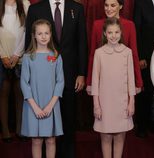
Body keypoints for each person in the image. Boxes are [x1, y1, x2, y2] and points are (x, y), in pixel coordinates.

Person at [25, 0, 88, 158]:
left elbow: (82, 42)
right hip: (40, 78)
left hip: (70, 74)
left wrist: (81, 72)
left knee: (68, 116)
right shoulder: (35, 9)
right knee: (43, 126)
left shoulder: (77, 8)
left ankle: (68, 153)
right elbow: (28, 41)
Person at [91, 17, 135, 158]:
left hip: (122, 102)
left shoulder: (127, 52)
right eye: (110, 33)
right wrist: (96, 105)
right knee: (106, 137)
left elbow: (131, 80)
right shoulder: (99, 53)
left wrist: (131, 102)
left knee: (120, 136)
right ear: (105, 34)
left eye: (116, 32)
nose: (113, 36)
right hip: (104, 103)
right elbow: (95, 82)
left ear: (121, 33)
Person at [21, 19, 64, 158]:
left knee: (51, 139)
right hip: (34, 105)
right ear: (34, 35)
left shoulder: (56, 56)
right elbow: (24, 83)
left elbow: (60, 82)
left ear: (51, 34)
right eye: (40, 33)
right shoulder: (28, 57)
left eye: (46, 33)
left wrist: (51, 105)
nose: (43, 36)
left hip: (51, 104)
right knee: (36, 140)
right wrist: (35, 107)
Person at [86, 0, 143, 95]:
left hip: (123, 79)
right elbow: (92, 55)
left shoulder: (129, 25)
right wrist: (90, 82)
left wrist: (138, 82)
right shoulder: (97, 25)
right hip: (103, 80)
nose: (108, 9)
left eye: (113, 5)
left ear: (120, 6)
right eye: (106, 5)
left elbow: (134, 55)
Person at [0, 0, 30, 142]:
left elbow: (27, 31)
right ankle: (5, 131)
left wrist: (17, 54)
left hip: (20, 57)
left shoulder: (25, 4)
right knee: (3, 93)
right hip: (2, 57)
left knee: (20, 94)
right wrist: (2, 55)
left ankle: (20, 129)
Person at [133, 0, 154, 137]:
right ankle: (142, 125)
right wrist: (140, 56)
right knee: (146, 91)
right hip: (146, 57)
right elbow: (137, 29)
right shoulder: (141, 2)